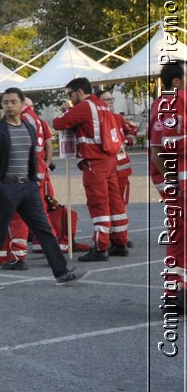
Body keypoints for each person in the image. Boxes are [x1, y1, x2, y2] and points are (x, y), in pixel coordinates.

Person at [0, 88, 82, 291]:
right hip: (7, 188)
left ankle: (62, 273)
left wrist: (33, 182)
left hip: (28, 189)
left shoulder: (28, 128)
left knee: (44, 230)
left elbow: (33, 158)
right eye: (5, 102)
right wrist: (0, 188)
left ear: (23, 104)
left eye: (13, 102)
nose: (9, 106)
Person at [54, 77, 124, 261]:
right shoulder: (101, 104)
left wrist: (66, 110)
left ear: (78, 91)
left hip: (95, 161)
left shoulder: (85, 107)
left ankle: (101, 247)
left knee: (98, 203)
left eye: (70, 94)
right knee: (115, 202)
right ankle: (120, 241)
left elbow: (58, 123)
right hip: (109, 158)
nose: (70, 98)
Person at [149, 61, 186, 315]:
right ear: (177, 81)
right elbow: (166, 146)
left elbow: (155, 150)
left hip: (172, 179)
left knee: (178, 237)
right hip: (180, 178)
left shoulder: (161, 103)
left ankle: (174, 294)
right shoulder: (180, 99)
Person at [99, 90, 136, 254]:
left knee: (120, 204)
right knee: (108, 204)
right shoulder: (98, 119)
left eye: (111, 99)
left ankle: (120, 236)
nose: (111, 102)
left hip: (122, 169)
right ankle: (114, 236)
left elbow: (131, 132)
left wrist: (127, 141)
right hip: (107, 170)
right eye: (107, 100)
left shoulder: (119, 119)